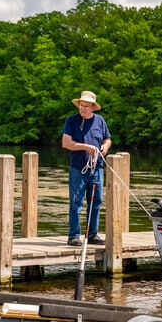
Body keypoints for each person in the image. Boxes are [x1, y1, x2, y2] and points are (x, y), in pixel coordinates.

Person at [62, 90, 112, 246]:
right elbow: (66, 143)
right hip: (78, 168)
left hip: (97, 167)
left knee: (96, 201)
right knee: (76, 201)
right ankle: (74, 235)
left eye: (86, 106)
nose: (83, 109)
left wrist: (105, 147)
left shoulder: (100, 121)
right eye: (81, 106)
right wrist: (85, 147)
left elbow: (107, 139)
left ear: (92, 107)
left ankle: (92, 234)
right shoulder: (71, 121)